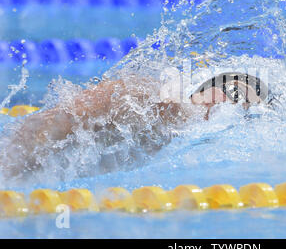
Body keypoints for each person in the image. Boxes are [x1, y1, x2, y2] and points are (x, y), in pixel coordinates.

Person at [0, 72, 270, 179]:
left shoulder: (181, 140)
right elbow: (47, 124)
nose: (232, 106)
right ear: (207, 87)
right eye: (234, 94)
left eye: (242, 107)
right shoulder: (148, 97)